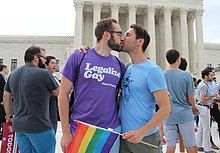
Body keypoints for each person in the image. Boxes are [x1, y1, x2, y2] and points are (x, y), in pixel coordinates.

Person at [58, 18, 125, 153]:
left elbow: (119, 97)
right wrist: (65, 132)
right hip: (80, 130)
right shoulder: (78, 57)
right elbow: (63, 94)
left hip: (109, 132)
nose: (122, 38)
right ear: (107, 35)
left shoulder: (120, 65)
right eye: (119, 33)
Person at [119, 24, 171, 153]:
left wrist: (142, 132)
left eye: (128, 34)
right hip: (123, 138)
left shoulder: (153, 70)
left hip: (145, 139)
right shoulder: (127, 68)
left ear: (140, 41)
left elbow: (165, 108)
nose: (122, 38)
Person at [3, 46, 59, 153]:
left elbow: (6, 96)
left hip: (20, 126)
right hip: (40, 126)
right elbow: (58, 92)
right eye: (44, 57)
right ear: (36, 58)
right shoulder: (44, 73)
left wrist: (9, 116)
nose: (45, 60)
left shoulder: (13, 74)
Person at [163, 49, 198, 153]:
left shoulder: (162, 75)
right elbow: (191, 98)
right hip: (184, 114)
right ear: (178, 60)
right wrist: (194, 108)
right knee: (190, 146)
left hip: (168, 114)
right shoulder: (186, 75)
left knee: (170, 146)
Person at [196, 68, 218, 153]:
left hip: (202, 107)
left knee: (202, 128)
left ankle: (199, 145)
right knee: (206, 129)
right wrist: (212, 96)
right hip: (204, 107)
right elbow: (202, 99)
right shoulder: (204, 85)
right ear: (206, 76)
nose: (213, 77)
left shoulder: (203, 84)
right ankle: (207, 148)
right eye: (211, 75)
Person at [45, 56, 60, 133]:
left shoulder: (54, 76)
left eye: (56, 63)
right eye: (52, 63)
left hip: (54, 106)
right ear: (46, 64)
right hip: (48, 106)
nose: (55, 65)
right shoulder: (45, 76)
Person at [0, 64, 9, 140]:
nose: (8, 70)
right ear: (4, 69)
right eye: (7, 69)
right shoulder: (0, 77)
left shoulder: (5, 78)